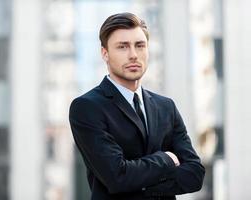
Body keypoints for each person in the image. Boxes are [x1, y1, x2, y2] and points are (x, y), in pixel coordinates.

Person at [69, 12, 205, 200]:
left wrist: (140, 184)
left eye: (140, 45)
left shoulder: (166, 107)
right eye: (122, 47)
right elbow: (117, 177)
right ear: (105, 53)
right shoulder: (87, 107)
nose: (133, 55)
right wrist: (166, 159)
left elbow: (195, 175)